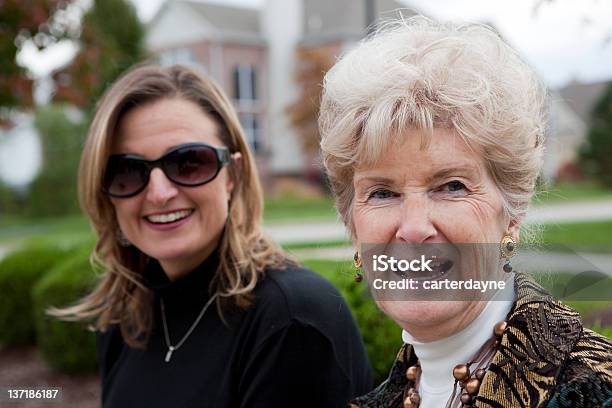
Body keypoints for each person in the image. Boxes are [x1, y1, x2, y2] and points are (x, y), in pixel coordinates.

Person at [318, 16, 612, 408]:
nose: (414, 228)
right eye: (383, 192)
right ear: (353, 226)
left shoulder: (592, 389)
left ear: (511, 211)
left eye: (451, 186)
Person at [53, 64, 372, 407]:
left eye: (188, 162)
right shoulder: (126, 320)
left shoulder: (293, 319)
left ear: (232, 175)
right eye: (128, 171)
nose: (159, 193)